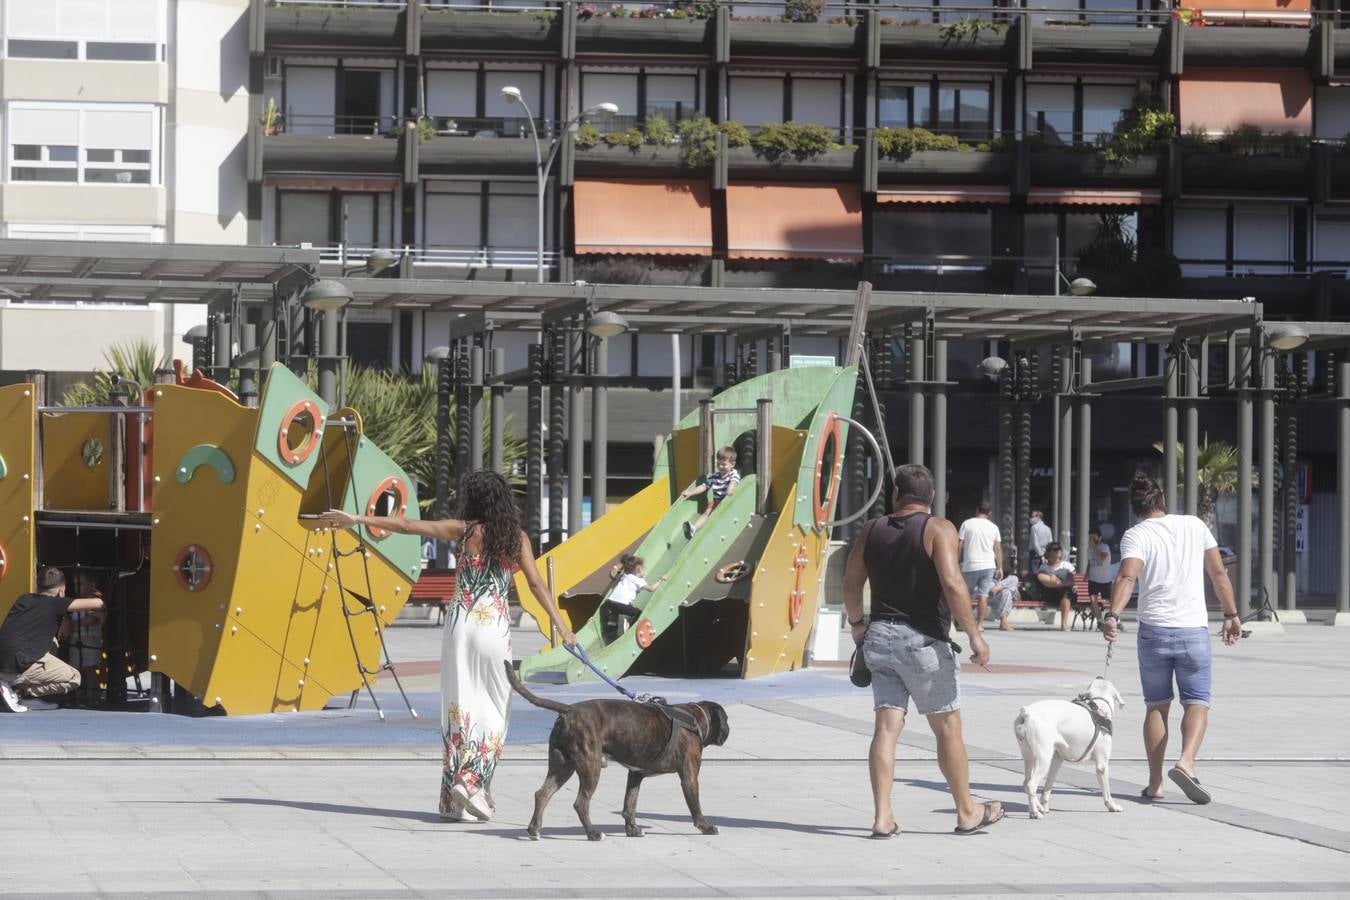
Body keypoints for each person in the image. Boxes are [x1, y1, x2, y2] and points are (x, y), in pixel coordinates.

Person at [321, 470, 575, 823]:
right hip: (492, 629)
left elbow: (408, 525)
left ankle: (455, 797)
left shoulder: (464, 530)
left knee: (459, 706)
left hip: (459, 626)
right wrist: (560, 625)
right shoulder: (516, 538)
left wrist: (356, 519)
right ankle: (471, 783)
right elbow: (535, 585)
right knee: (495, 709)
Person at [842, 464, 1003, 838]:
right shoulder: (938, 528)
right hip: (924, 640)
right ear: (931, 497)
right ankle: (967, 812)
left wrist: (857, 626)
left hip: (879, 637)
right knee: (947, 726)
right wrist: (975, 635)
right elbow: (952, 582)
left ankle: (883, 818)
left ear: (895, 493)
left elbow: (851, 582)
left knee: (886, 727)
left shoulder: (872, 530)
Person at [1103, 472, 1241, 805]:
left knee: (1156, 706)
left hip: (1154, 631)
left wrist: (1113, 615)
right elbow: (1218, 573)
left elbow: (1127, 576)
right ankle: (1186, 760)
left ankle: (1155, 784)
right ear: (1162, 500)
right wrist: (1231, 614)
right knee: (1197, 700)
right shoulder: (1195, 525)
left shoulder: (1136, 534)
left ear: (1136, 507)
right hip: (1193, 629)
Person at [0, 566, 106, 713]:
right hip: (18, 667)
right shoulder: (58, 603)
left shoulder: (23, 599)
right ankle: (19, 692)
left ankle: (11, 687)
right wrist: (96, 594)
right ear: (61, 592)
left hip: (2, 660)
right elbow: (98, 604)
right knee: (74, 678)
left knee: (53, 642)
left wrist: (64, 620)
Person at [957, 501, 1003, 630]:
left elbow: (959, 544)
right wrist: (999, 567)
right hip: (989, 565)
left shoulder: (967, 524)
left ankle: (965, 624)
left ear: (977, 510)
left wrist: (956, 561)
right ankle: (980, 625)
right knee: (983, 596)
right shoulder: (994, 527)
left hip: (970, 565)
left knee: (965, 595)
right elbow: (998, 548)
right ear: (990, 513)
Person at [603, 555, 666, 643]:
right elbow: (651, 588)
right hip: (622, 605)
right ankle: (627, 624)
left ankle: (610, 627)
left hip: (609, 603)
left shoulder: (624, 575)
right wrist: (660, 580)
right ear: (639, 569)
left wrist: (616, 567)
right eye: (644, 569)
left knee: (615, 612)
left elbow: (619, 568)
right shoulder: (638, 580)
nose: (645, 571)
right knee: (638, 613)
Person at [681, 446, 740, 539]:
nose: (720, 467)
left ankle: (697, 528)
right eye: (718, 464)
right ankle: (693, 528)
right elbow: (704, 486)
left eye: (724, 464)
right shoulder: (715, 476)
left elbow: (734, 481)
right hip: (716, 502)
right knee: (706, 512)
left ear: (732, 464)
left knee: (712, 512)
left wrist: (730, 488)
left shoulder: (733, 473)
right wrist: (690, 492)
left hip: (728, 503)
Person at [1035, 542, 1076, 633]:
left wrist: (1056, 581)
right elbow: (1044, 581)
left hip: (1065, 593)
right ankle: (1064, 624)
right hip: (1049, 594)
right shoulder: (1044, 566)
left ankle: (1064, 624)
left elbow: (1072, 580)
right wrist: (1059, 581)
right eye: (1055, 549)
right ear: (1049, 553)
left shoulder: (1066, 565)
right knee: (1065, 590)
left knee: (1066, 593)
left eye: (1059, 549)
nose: (1058, 551)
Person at [1086, 527, 1113, 624]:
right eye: (1090, 538)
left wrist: (1094, 548)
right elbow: (1089, 562)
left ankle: (1114, 617)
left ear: (1100, 538)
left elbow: (1101, 558)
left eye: (1094, 538)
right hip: (1093, 579)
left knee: (1110, 600)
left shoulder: (1105, 547)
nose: (1092, 540)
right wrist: (1086, 574)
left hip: (1105, 579)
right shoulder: (1089, 549)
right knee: (1093, 599)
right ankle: (1099, 620)